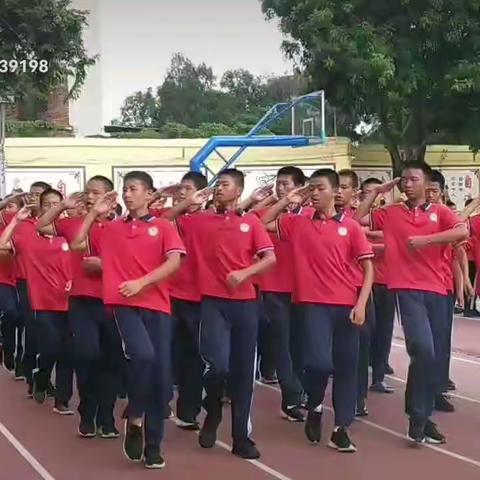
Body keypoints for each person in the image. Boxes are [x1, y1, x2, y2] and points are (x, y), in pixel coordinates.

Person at [71, 171, 185, 469]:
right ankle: (135, 413)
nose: (127, 194)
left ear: (149, 194)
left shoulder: (162, 226)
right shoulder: (111, 227)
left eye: (133, 189)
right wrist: (92, 215)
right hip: (123, 304)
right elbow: (77, 245)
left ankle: (152, 444)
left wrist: (143, 283)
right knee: (143, 355)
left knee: (160, 377)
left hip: (157, 306)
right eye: (125, 189)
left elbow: (174, 261)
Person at [355, 161, 468, 444]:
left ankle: (421, 417)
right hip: (406, 288)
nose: (406, 184)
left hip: (439, 290)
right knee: (422, 349)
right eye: (403, 179)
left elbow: (461, 232)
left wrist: (428, 240)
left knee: (433, 357)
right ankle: (419, 414)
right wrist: (377, 191)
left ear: (427, 185)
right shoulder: (391, 213)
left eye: (413, 179)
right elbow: (357, 218)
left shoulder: (441, 212)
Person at [262, 168, 374, 452]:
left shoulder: (349, 226)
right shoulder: (297, 223)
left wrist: (361, 304)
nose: (313, 193)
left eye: (319, 188)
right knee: (319, 363)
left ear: (335, 192)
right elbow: (263, 221)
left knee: (347, 367)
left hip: (346, 305)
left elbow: (368, 268)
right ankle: (314, 404)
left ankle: (341, 428)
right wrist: (286, 198)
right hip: (311, 305)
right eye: (310, 188)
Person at [168, 168, 276, 460]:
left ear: (238, 191)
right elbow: (161, 223)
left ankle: (241, 437)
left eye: (224, 184)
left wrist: (245, 273)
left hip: (246, 305)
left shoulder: (251, 223)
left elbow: (269, 258)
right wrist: (189, 200)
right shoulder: (198, 221)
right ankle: (212, 411)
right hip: (212, 304)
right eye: (216, 184)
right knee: (216, 367)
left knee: (242, 374)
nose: (218, 188)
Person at [36, 175, 123, 438]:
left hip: (113, 301)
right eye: (88, 192)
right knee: (87, 355)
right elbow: (41, 224)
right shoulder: (74, 223)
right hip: (82, 301)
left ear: (110, 198)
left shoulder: (121, 227)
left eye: (96, 193)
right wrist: (63, 205)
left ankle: (106, 417)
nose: (90, 197)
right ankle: (87, 411)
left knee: (111, 360)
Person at [0, 189, 74, 414]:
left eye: (57, 204)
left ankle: (62, 399)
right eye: (48, 205)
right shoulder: (27, 233)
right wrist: (16, 221)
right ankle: (41, 375)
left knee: (68, 351)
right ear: (40, 209)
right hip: (40, 301)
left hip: (70, 301)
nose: (53, 208)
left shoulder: (70, 234)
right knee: (51, 346)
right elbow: (3, 244)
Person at [256, 166, 307, 421]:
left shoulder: (310, 216)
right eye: (279, 184)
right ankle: (292, 397)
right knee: (283, 343)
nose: (281, 188)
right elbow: (259, 222)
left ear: (300, 186)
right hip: (274, 287)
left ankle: (298, 392)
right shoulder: (273, 214)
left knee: (301, 344)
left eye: (286, 184)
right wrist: (282, 201)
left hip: (305, 289)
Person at [161, 171, 208, 431]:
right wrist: (176, 201)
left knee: (194, 356)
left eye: (186, 189)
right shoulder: (172, 220)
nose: (181, 192)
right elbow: (165, 218)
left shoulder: (207, 220)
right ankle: (162, 398)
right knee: (165, 351)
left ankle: (189, 411)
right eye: (179, 188)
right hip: (169, 294)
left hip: (200, 297)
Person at [426, 170, 470, 411]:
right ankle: (427, 389)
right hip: (420, 286)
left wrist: (462, 285)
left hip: (443, 286)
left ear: (442, 191)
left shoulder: (447, 216)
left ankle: (437, 386)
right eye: (427, 189)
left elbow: (458, 253)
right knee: (425, 343)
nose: (430, 194)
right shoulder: (415, 216)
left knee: (441, 340)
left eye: (434, 190)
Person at [359, 178, 396, 395]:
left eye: (376, 191)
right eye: (367, 192)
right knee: (364, 332)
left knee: (384, 331)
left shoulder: (387, 215)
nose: (372, 195)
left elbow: (397, 241)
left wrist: (370, 239)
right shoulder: (360, 215)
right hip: (364, 283)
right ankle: (360, 377)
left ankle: (379, 376)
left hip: (387, 282)